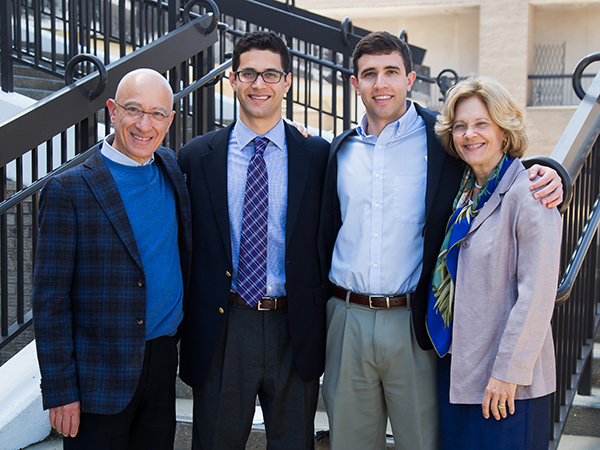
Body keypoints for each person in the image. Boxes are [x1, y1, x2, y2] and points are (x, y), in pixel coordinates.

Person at [318, 31, 564, 450]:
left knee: (424, 441)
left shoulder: (442, 141)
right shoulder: (337, 149)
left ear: (410, 78)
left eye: (391, 72)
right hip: (347, 317)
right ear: (354, 82)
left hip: (414, 324)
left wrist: (554, 170)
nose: (381, 84)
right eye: (369, 74)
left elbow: (502, 166)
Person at [177, 31, 330, 450]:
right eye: (248, 73)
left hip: (294, 326)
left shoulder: (317, 157)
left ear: (287, 81)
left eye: (270, 74)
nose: (258, 84)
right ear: (232, 78)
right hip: (225, 325)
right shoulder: (196, 156)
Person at [32, 68, 192, 449]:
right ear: (111, 111)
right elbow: (49, 302)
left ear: (169, 121)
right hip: (98, 376)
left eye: (157, 114)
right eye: (133, 110)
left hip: (161, 359)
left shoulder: (171, 168)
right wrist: (59, 390)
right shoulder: (68, 190)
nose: (144, 124)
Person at [427, 76, 561, 450]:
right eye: (460, 126)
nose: (470, 134)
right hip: (457, 368)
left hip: (506, 383)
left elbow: (537, 295)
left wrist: (507, 374)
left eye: (481, 124)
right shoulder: (462, 192)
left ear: (504, 130)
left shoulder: (531, 193)